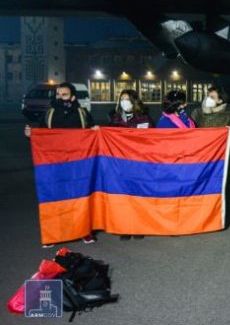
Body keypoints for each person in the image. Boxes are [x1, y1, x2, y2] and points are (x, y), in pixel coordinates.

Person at [24, 82, 99, 247]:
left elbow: (92, 134)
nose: (60, 97)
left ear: (72, 97)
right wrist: (31, 134)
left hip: (78, 163)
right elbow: (42, 135)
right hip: (55, 163)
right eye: (58, 94)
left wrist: (95, 131)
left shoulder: (82, 113)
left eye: (64, 95)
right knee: (54, 198)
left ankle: (84, 231)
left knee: (81, 197)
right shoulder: (49, 113)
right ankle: (53, 235)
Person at [108, 89, 152, 241]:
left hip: (138, 164)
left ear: (134, 101)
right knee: (123, 197)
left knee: (138, 196)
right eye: (122, 99)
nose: (123, 102)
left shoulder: (144, 118)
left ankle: (138, 227)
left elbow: (151, 140)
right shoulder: (115, 118)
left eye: (127, 99)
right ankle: (125, 228)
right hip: (120, 164)